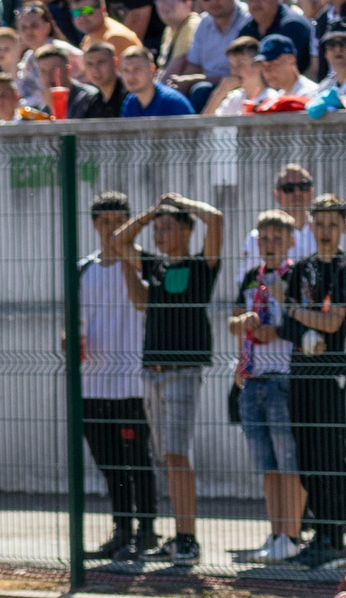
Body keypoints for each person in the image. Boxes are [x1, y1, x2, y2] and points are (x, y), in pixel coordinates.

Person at [116, 195, 224, 567]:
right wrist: (150, 214)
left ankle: (189, 540)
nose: (160, 234)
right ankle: (179, 535)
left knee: (177, 453)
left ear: (187, 230)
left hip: (183, 371)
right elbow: (119, 242)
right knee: (166, 456)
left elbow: (218, 220)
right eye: (157, 229)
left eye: (168, 227)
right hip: (153, 373)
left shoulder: (201, 266)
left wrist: (181, 203)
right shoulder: (155, 266)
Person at [75, 193, 158, 563]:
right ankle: (121, 529)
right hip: (93, 383)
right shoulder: (82, 269)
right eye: (106, 221)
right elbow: (73, 322)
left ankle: (147, 530)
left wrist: (127, 257)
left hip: (132, 382)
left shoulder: (143, 263)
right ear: (94, 224)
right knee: (109, 464)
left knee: (139, 459)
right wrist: (69, 339)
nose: (113, 228)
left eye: (120, 221)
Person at [232, 211, 303, 563]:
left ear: (290, 241)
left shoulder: (297, 275)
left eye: (278, 239)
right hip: (254, 377)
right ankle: (275, 533)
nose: (270, 244)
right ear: (256, 241)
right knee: (267, 464)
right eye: (265, 239)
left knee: (289, 460)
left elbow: (299, 318)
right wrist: (241, 323)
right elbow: (233, 320)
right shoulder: (249, 277)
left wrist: (276, 329)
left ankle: (292, 534)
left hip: (282, 377)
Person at [283, 197, 346, 569]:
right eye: (319, 224)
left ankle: (332, 537)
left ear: (341, 228)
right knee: (305, 453)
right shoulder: (301, 269)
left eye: (332, 225)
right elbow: (287, 320)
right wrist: (302, 328)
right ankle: (319, 532)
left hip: (332, 375)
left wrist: (295, 313)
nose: (325, 231)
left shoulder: (343, 268)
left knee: (329, 453)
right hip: (301, 373)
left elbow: (334, 322)